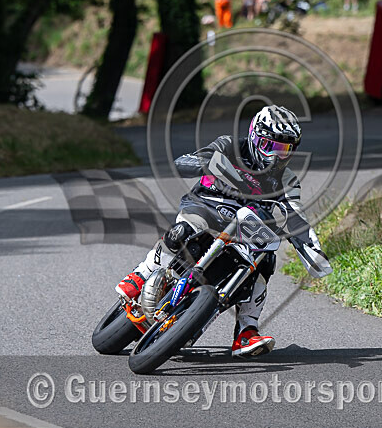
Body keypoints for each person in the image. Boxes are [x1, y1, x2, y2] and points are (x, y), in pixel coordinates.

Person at [116, 106, 330, 357]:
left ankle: (247, 330)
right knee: (182, 231)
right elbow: (186, 161)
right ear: (255, 136)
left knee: (266, 260)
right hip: (205, 207)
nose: (276, 156)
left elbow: (295, 216)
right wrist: (204, 163)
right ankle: (140, 275)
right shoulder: (229, 146)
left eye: (284, 149)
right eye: (270, 146)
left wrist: (314, 253)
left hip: (244, 226)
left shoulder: (288, 180)